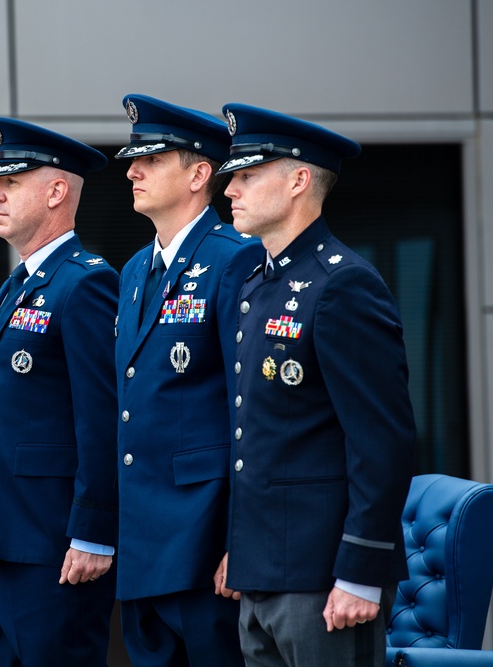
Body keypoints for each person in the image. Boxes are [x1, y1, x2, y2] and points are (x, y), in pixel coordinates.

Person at [212, 103, 415, 666]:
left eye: (248, 174)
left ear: (300, 180)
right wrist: (240, 550)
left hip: (324, 581)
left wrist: (360, 570)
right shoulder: (256, 284)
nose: (231, 189)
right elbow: (259, 437)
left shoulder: (344, 285)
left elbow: (382, 442)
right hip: (262, 573)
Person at [112, 94, 263, 666]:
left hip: (205, 548)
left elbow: (247, 411)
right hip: (144, 546)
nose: (132, 170)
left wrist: (237, 540)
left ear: (200, 174)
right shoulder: (132, 271)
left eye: (150, 159)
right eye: (134, 159)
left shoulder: (235, 259)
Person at [0, 117, 119, 666]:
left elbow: (102, 418)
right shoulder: (16, 287)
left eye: (10, 182)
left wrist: (93, 532)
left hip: (57, 541)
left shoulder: (85, 282)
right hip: (9, 533)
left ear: (57, 191)